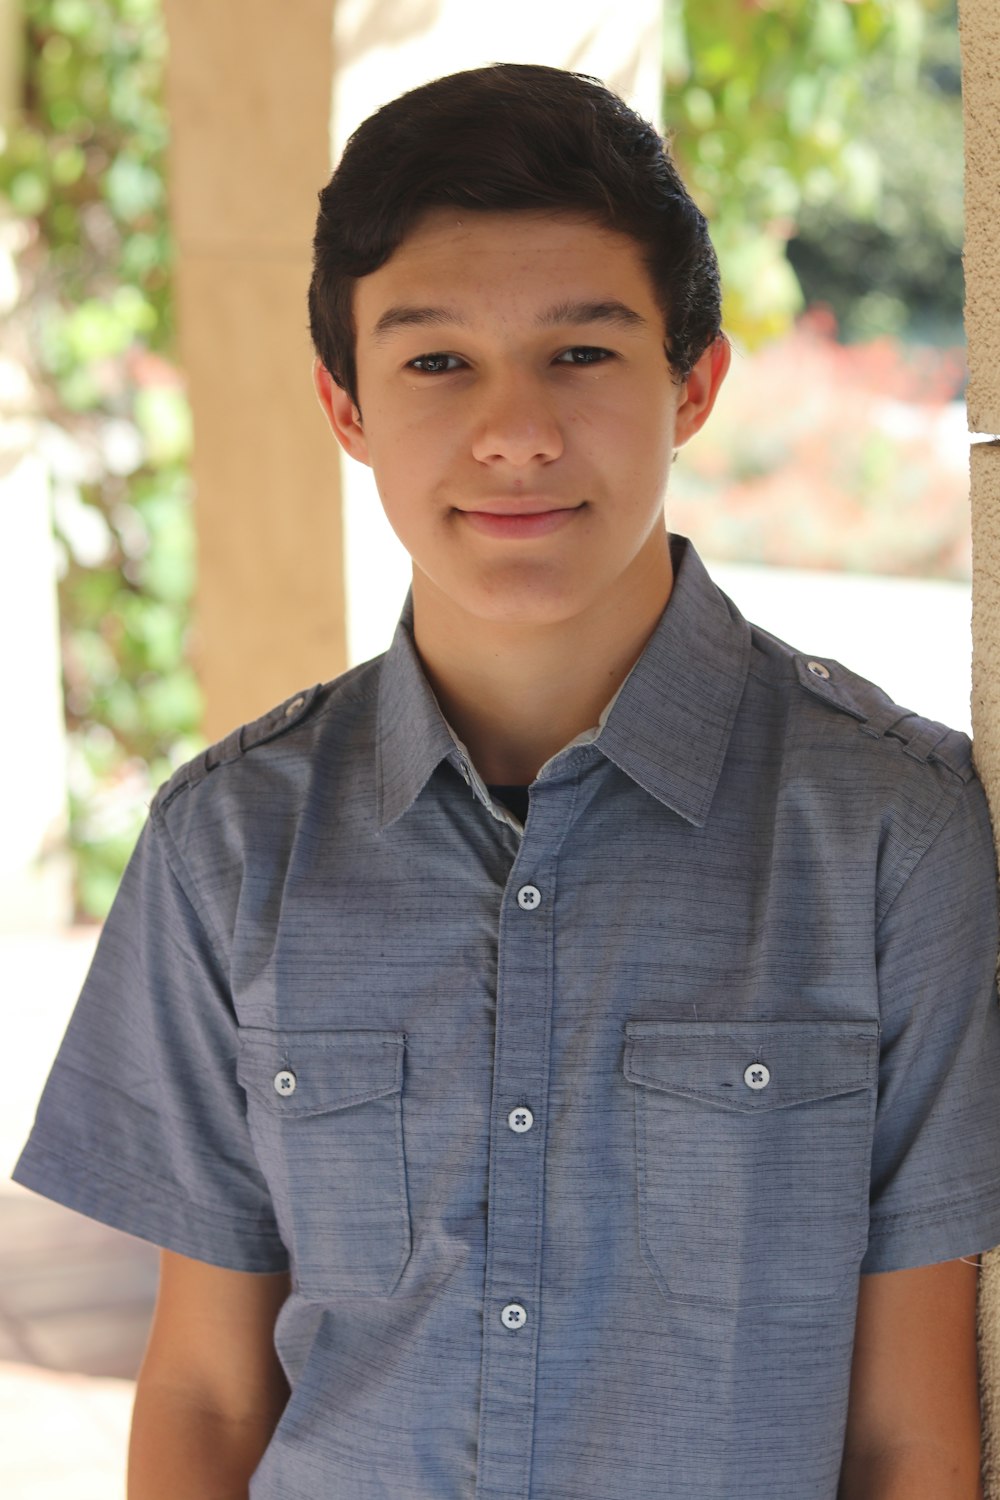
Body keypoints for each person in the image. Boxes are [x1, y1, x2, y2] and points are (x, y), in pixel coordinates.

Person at [13, 61, 1000, 1500]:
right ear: (345, 406)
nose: (516, 433)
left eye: (583, 355)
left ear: (696, 381)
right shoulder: (228, 843)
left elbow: (910, 1431)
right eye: (436, 362)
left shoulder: (893, 835)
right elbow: (212, 1397)